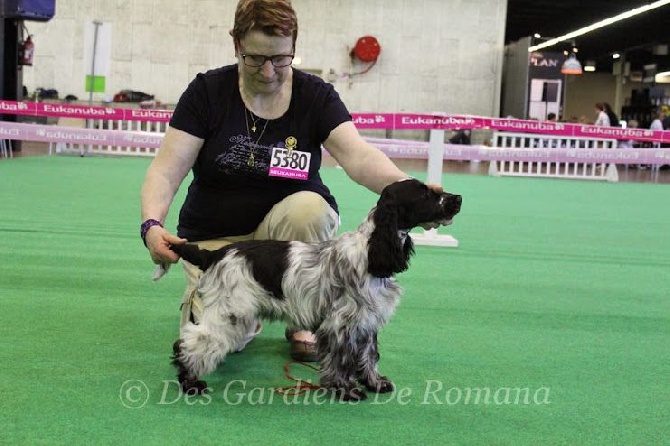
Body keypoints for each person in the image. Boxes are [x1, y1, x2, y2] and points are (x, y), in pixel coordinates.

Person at [140, 0, 448, 362]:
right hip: (218, 241)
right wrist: (151, 224)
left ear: (294, 48)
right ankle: (254, 311)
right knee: (221, 340)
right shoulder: (206, 93)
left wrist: (412, 192)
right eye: (255, 58)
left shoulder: (315, 96)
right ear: (235, 44)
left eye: (281, 59)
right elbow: (166, 169)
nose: (269, 71)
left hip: (290, 246)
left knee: (309, 209)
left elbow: (359, 156)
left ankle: (304, 317)